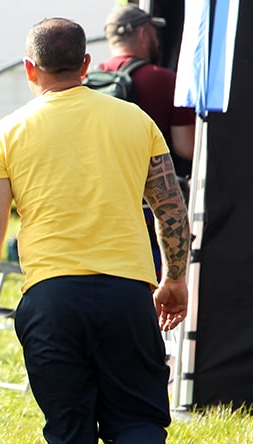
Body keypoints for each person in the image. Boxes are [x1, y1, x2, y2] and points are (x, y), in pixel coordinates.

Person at [0, 18, 190, 444]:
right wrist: (175, 279)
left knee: (67, 433)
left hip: (49, 298)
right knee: (137, 411)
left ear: (29, 70)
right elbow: (170, 208)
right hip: (125, 293)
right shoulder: (134, 120)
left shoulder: (9, 131)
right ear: (88, 67)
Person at [96, 4, 195, 278]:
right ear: (142, 34)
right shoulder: (164, 80)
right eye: (153, 32)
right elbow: (186, 146)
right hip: (149, 210)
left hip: (99, 207)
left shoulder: (88, 81)